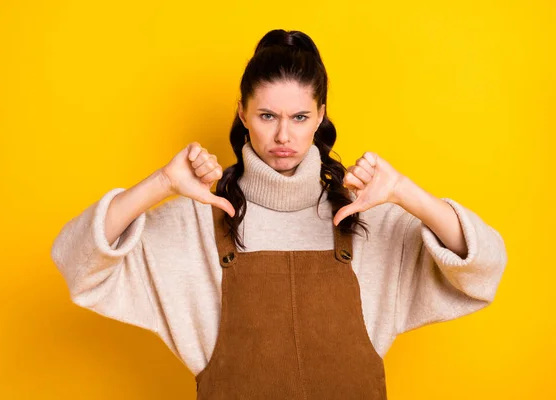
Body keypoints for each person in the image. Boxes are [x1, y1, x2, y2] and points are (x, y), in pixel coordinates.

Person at [50, 29, 507, 399]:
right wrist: (161, 185)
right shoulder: (199, 221)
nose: (284, 135)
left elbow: (485, 267)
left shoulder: (362, 213)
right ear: (242, 113)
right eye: (267, 116)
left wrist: (407, 193)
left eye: (300, 117)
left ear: (321, 115)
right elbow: (75, 261)